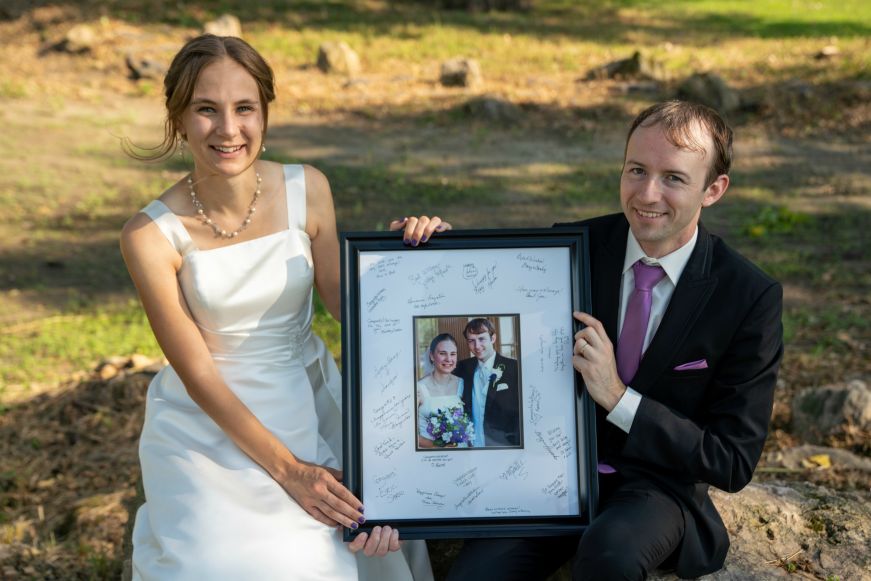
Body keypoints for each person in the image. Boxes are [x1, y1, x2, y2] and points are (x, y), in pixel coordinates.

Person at [397, 100, 783, 580]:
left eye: (674, 178)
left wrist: (619, 398)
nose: (647, 193)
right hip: (547, 478)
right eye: (636, 170)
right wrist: (434, 254)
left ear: (713, 189)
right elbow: (483, 288)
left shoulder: (747, 296)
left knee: (609, 557)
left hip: (656, 489)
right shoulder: (566, 250)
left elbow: (731, 459)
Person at [120, 34, 437, 580]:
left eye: (245, 108)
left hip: (307, 398)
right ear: (177, 117)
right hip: (206, 426)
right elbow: (197, 373)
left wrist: (408, 261)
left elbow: (349, 308)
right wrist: (291, 472)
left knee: (323, 559)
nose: (228, 129)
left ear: (265, 111)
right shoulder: (149, 235)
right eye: (205, 110)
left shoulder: (308, 189)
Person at [452, 318, 521, 448]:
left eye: (481, 339)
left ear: (493, 338)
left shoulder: (514, 368)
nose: (477, 346)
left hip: (503, 447)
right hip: (472, 447)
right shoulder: (461, 368)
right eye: (471, 341)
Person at [416, 333, 467, 448]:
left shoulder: (463, 384)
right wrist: (438, 446)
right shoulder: (418, 388)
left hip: (461, 454)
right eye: (442, 353)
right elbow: (408, 434)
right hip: (433, 456)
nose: (449, 359)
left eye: (453, 354)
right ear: (432, 356)